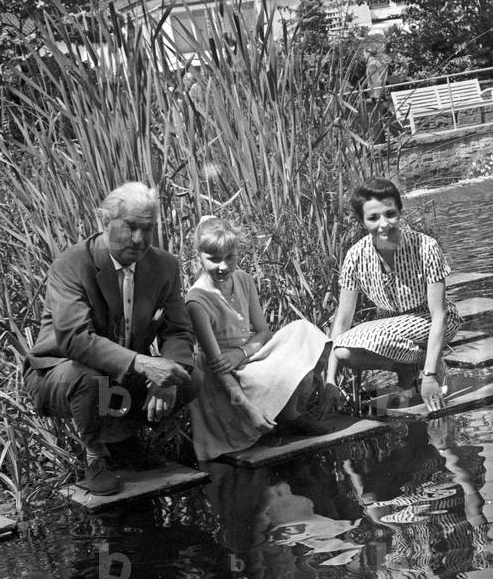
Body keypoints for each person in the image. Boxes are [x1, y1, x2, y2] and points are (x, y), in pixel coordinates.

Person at [24, 182, 201, 495]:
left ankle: (124, 443)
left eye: (147, 229)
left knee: (190, 377)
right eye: (130, 227)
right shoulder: (72, 265)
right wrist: (143, 363)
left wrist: (167, 377)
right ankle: (96, 456)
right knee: (90, 377)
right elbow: (75, 340)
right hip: (60, 373)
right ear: (104, 222)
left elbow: (178, 330)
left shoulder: (165, 266)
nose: (139, 239)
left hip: (120, 376)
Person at [185, 215, 335, 462]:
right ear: (199, 255)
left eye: (229, 257)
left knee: (304, 331)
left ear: (237, 253)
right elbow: (218, 366)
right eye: (213, 259)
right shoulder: (197, 301)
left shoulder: (243, 279)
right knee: (291, 371)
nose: (222, 266)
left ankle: (290, 415)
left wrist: (241, 353)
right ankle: (274, 418)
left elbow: (263, 333)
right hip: (225, 374)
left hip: (248, 354)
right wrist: (249, 410)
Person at [326, 177, 460, 412]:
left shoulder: (426, 246)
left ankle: (426, 365)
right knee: (342, 350)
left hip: (431, 320)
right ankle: (408, 367)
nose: (384, 224)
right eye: (373, 218)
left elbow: (440, 314)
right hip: (390, 326)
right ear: (361, 221)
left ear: (400, 211)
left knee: (366, 337)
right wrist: (330, 381)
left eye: (390, 213)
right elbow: (343, 320)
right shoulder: (355, 256)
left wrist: (428, 376)